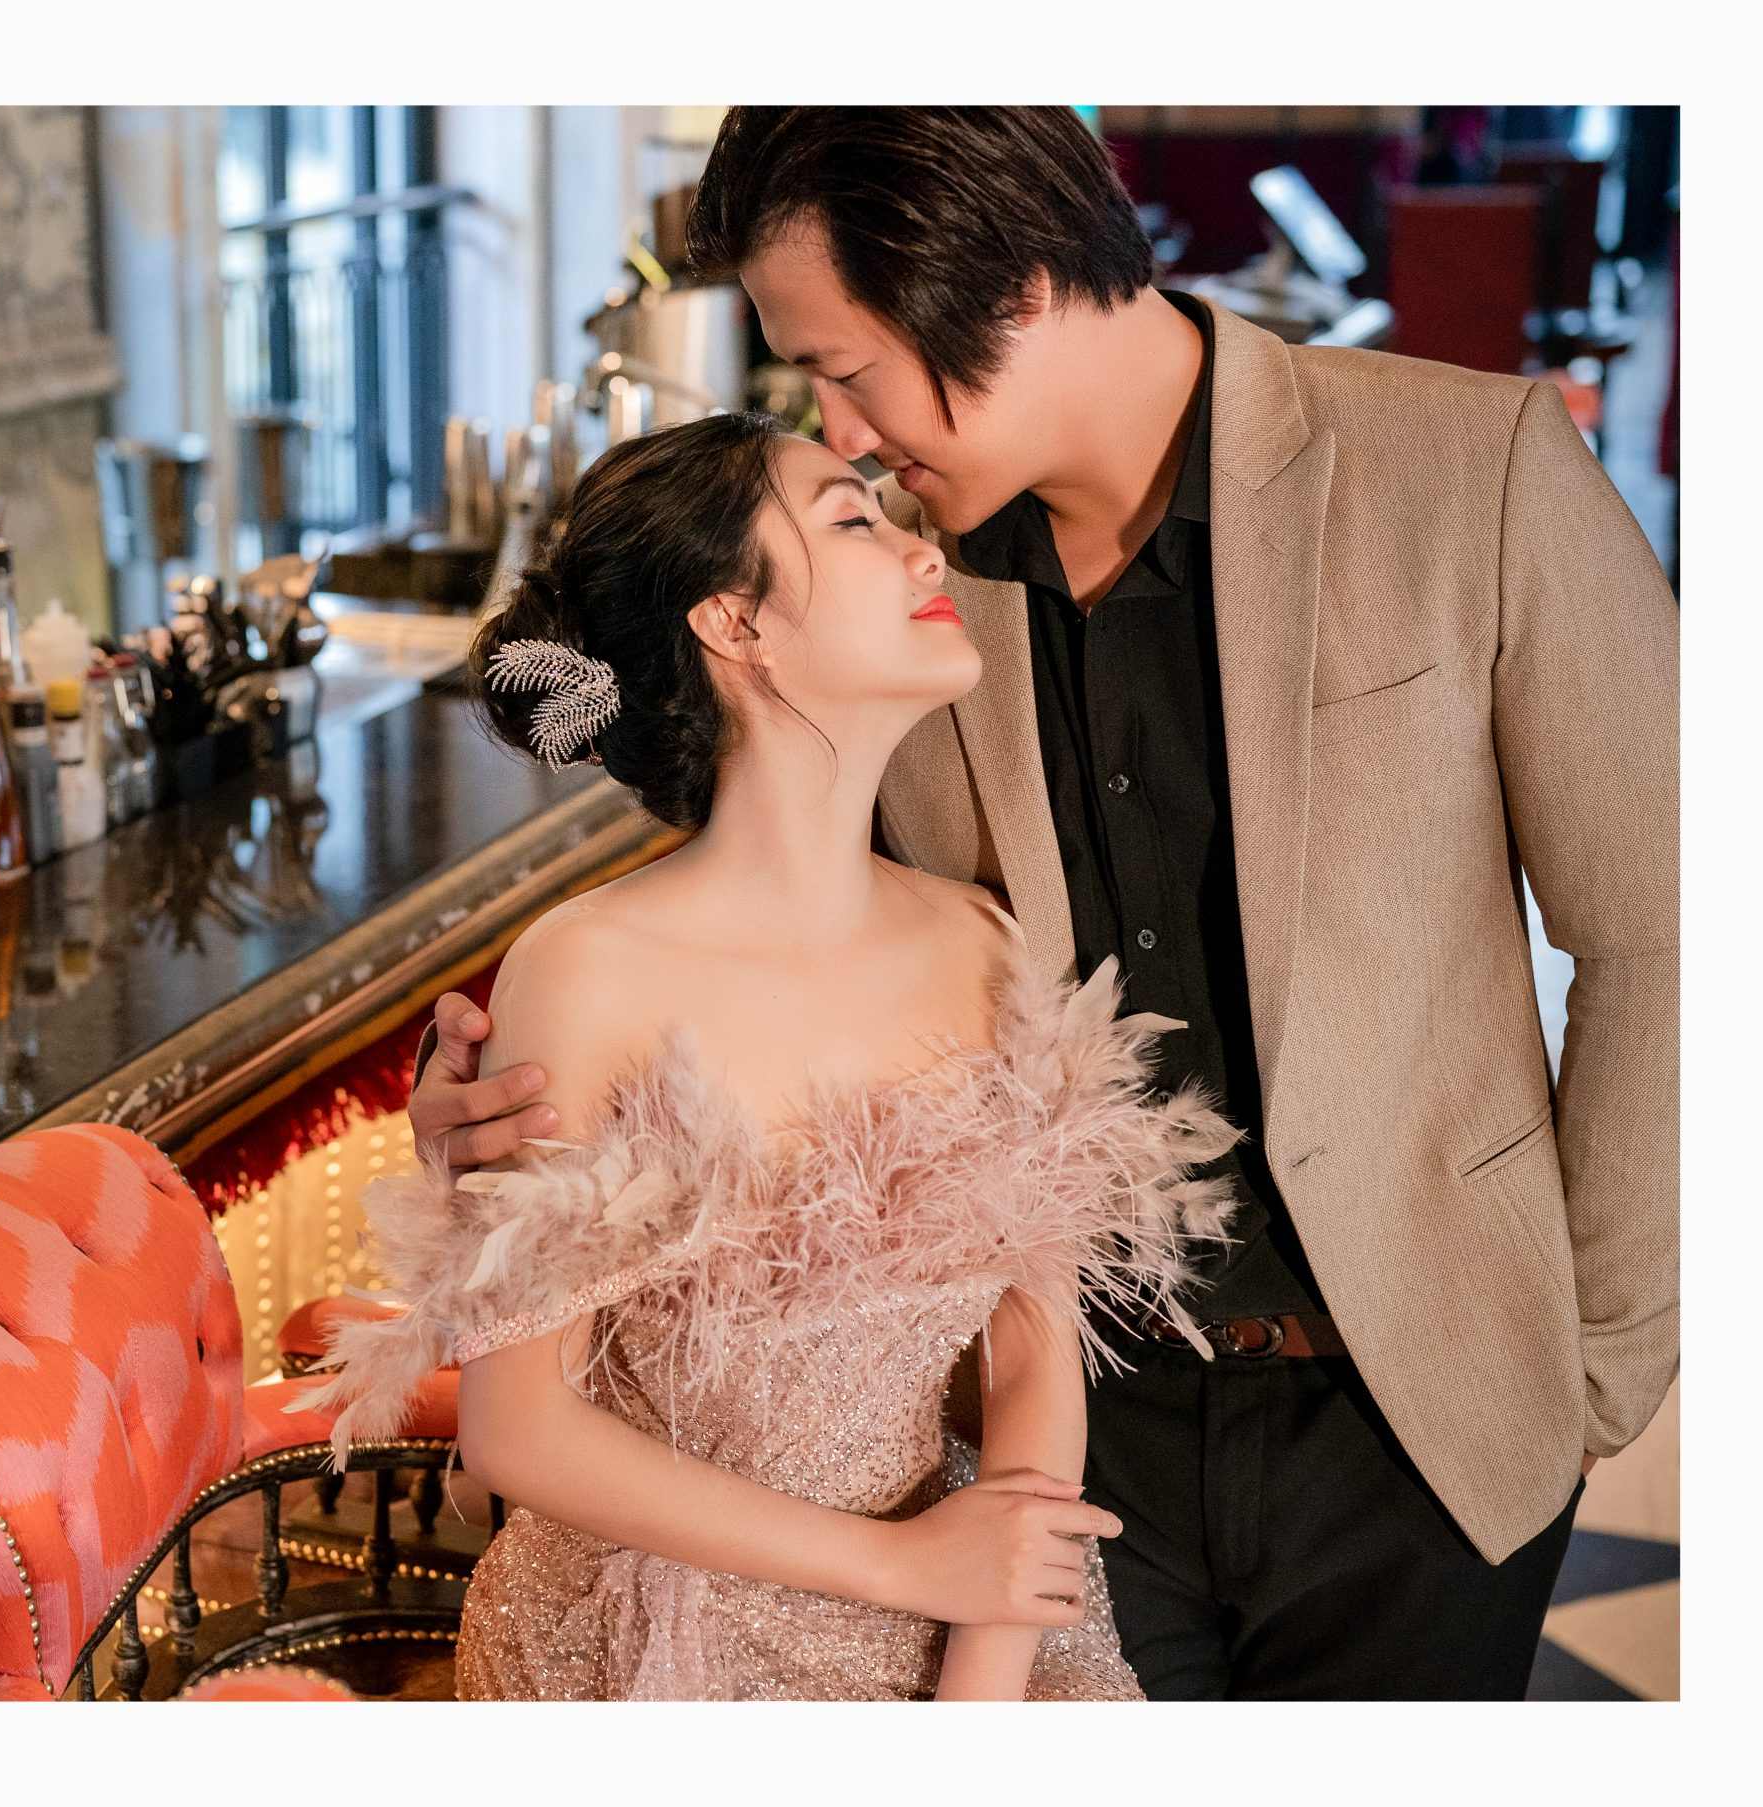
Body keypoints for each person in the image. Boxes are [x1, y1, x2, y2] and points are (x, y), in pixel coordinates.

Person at [406, 106, 1678, 1700]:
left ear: (1000, 281)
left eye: (847, 369)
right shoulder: (909, 588)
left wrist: (1593, 1371)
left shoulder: (1466, 469)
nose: (846, 433)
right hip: (1051, 1442)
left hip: (1420, 1427)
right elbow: (770, 922)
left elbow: (1671, 931)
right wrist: (511, 1125)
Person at [302, 411, 1241, 1700]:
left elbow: (1034, 1347)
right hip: (653, 1650)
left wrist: (980, 1683)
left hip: (963, 1630)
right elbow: (520, 1429)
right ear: (732, 623)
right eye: (855, 520)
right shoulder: (587, 969)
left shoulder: (983, 938)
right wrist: (904, 1566)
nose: (923, 553)